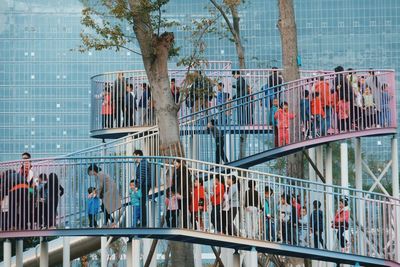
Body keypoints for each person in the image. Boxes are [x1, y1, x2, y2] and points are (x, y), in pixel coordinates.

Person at [133, 150, 152, 227]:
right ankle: (142, 221)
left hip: (144, 185)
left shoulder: (143, 164)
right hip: (144, 185)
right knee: (141, 203)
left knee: (142, 203)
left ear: (138, 155)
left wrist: (137, 187)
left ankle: (143, 222)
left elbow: (142, 177)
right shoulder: (142, 163)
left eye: (134, 156)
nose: (133, 158)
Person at [171, 159, 192, 228]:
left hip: (184, 194)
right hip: (179, 194)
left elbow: (183, 182)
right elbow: (174, 183)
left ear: (179, 163)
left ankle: (185, 226)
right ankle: (180, 225)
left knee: (184, 210)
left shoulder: (183, 170)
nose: (174, 165)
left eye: (175, 163)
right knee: (179, 209)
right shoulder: (176, 171)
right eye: (174, 163)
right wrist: (173, 191)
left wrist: (178, 192)